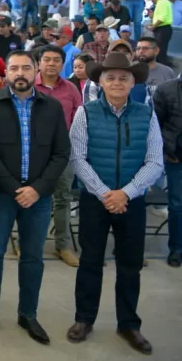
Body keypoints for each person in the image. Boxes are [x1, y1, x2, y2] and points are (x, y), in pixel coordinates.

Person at [67, 53, 163, 355]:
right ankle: (84, 319)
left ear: (133, 82)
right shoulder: (85, 113)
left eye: (124, 77)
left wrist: (127, 192)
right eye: (111, 77)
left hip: (131, 202)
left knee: (130, 265)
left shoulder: (146, 114)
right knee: (90, 262)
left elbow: (155, 161)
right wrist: (106, 193)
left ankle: (129, 324)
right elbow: (77, 158)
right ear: (101, 81)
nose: (117, 82)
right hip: (96, 200)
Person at [0, 50, 71, 345]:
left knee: (32, 257)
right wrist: (14, 187)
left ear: (36, 71)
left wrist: (37, 189)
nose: (20, 73)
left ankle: (28, 313)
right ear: (6, 73)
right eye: (14, 68)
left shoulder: (52, 107)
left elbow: (61, 153)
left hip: (38, 197)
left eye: (26, 68)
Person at [33, 45, 83, 268]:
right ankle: (30, 242)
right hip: (33, 152)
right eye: (47, 60)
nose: (51, 64)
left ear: (63, 64)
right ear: (39, 63)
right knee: (32, 197)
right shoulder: (28, 86)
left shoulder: (71, 89)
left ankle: (63, 245)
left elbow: (78, 120)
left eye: (56, 60)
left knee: (63, 198)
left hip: (63, 152)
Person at [153, 69, 182, 268]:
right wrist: (167, 150)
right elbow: (156, 124)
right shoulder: (166, 89)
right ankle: (176, 250)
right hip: (176, 158)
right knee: (178, 206)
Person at [149, 0, 173, 65]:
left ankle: (162, 69)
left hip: (162, 29)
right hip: (164, 28)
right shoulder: (165, 2)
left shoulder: (161, 2)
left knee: (160, 51)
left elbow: (163, 18)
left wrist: (153, 27)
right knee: (161, 50)